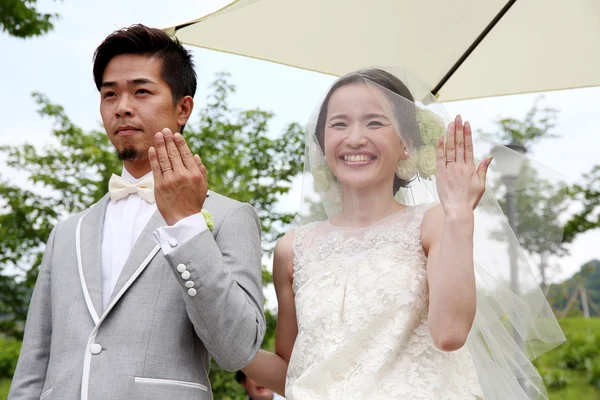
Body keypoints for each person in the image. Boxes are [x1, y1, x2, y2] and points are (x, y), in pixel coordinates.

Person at [241, 68, 565, 399]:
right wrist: (218, 328)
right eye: (339, 124)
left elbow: (450, 333)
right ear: (322, 144)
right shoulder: (292, 249)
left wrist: (459, 215)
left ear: (407, 144)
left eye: (374, 122)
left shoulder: (433, 222)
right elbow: (292, 371)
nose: (354, 137)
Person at [9, 24, 265, 400]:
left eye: (141, 91)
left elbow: (238, 349)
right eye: (109, 94)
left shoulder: (227, 216)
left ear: (183, 108)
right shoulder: (67, 232)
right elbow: (33, 366)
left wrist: (188, 225)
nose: (123, 107)